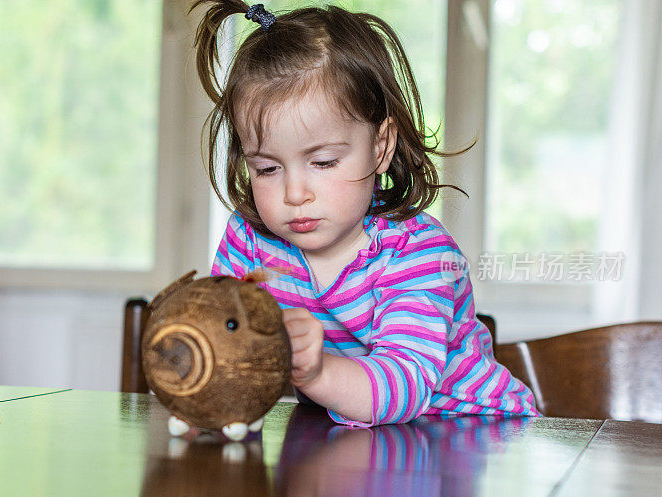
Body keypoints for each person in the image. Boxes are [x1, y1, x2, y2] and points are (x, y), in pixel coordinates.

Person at [192, 0, 539, 426]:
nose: (294, 193)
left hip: (470, 431)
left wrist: (316, 372)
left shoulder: (417, 252)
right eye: (267, 168)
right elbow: (227, 346)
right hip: (357, 441)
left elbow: (403, 385)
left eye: (322, 162)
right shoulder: (251, 243)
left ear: (380, 147)